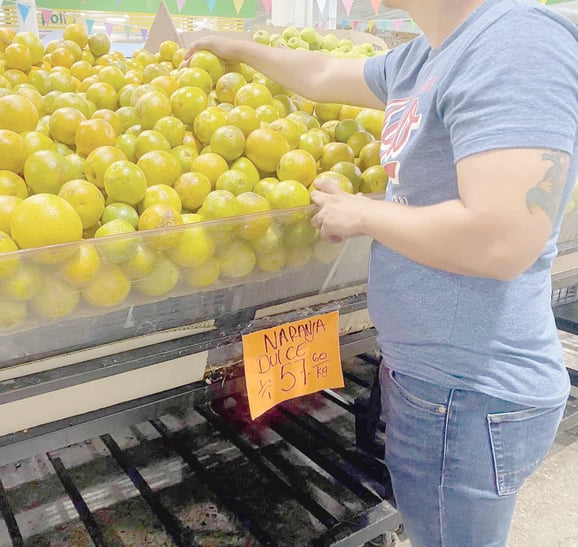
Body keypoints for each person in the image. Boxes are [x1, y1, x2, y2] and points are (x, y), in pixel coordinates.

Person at [185, 0, 578, 545]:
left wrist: (363, 212)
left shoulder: (516, 40)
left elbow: (502, 238)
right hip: (432, 381)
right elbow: (322, 74)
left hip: (468, 393)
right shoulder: (421, 58)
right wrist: (235, 47)